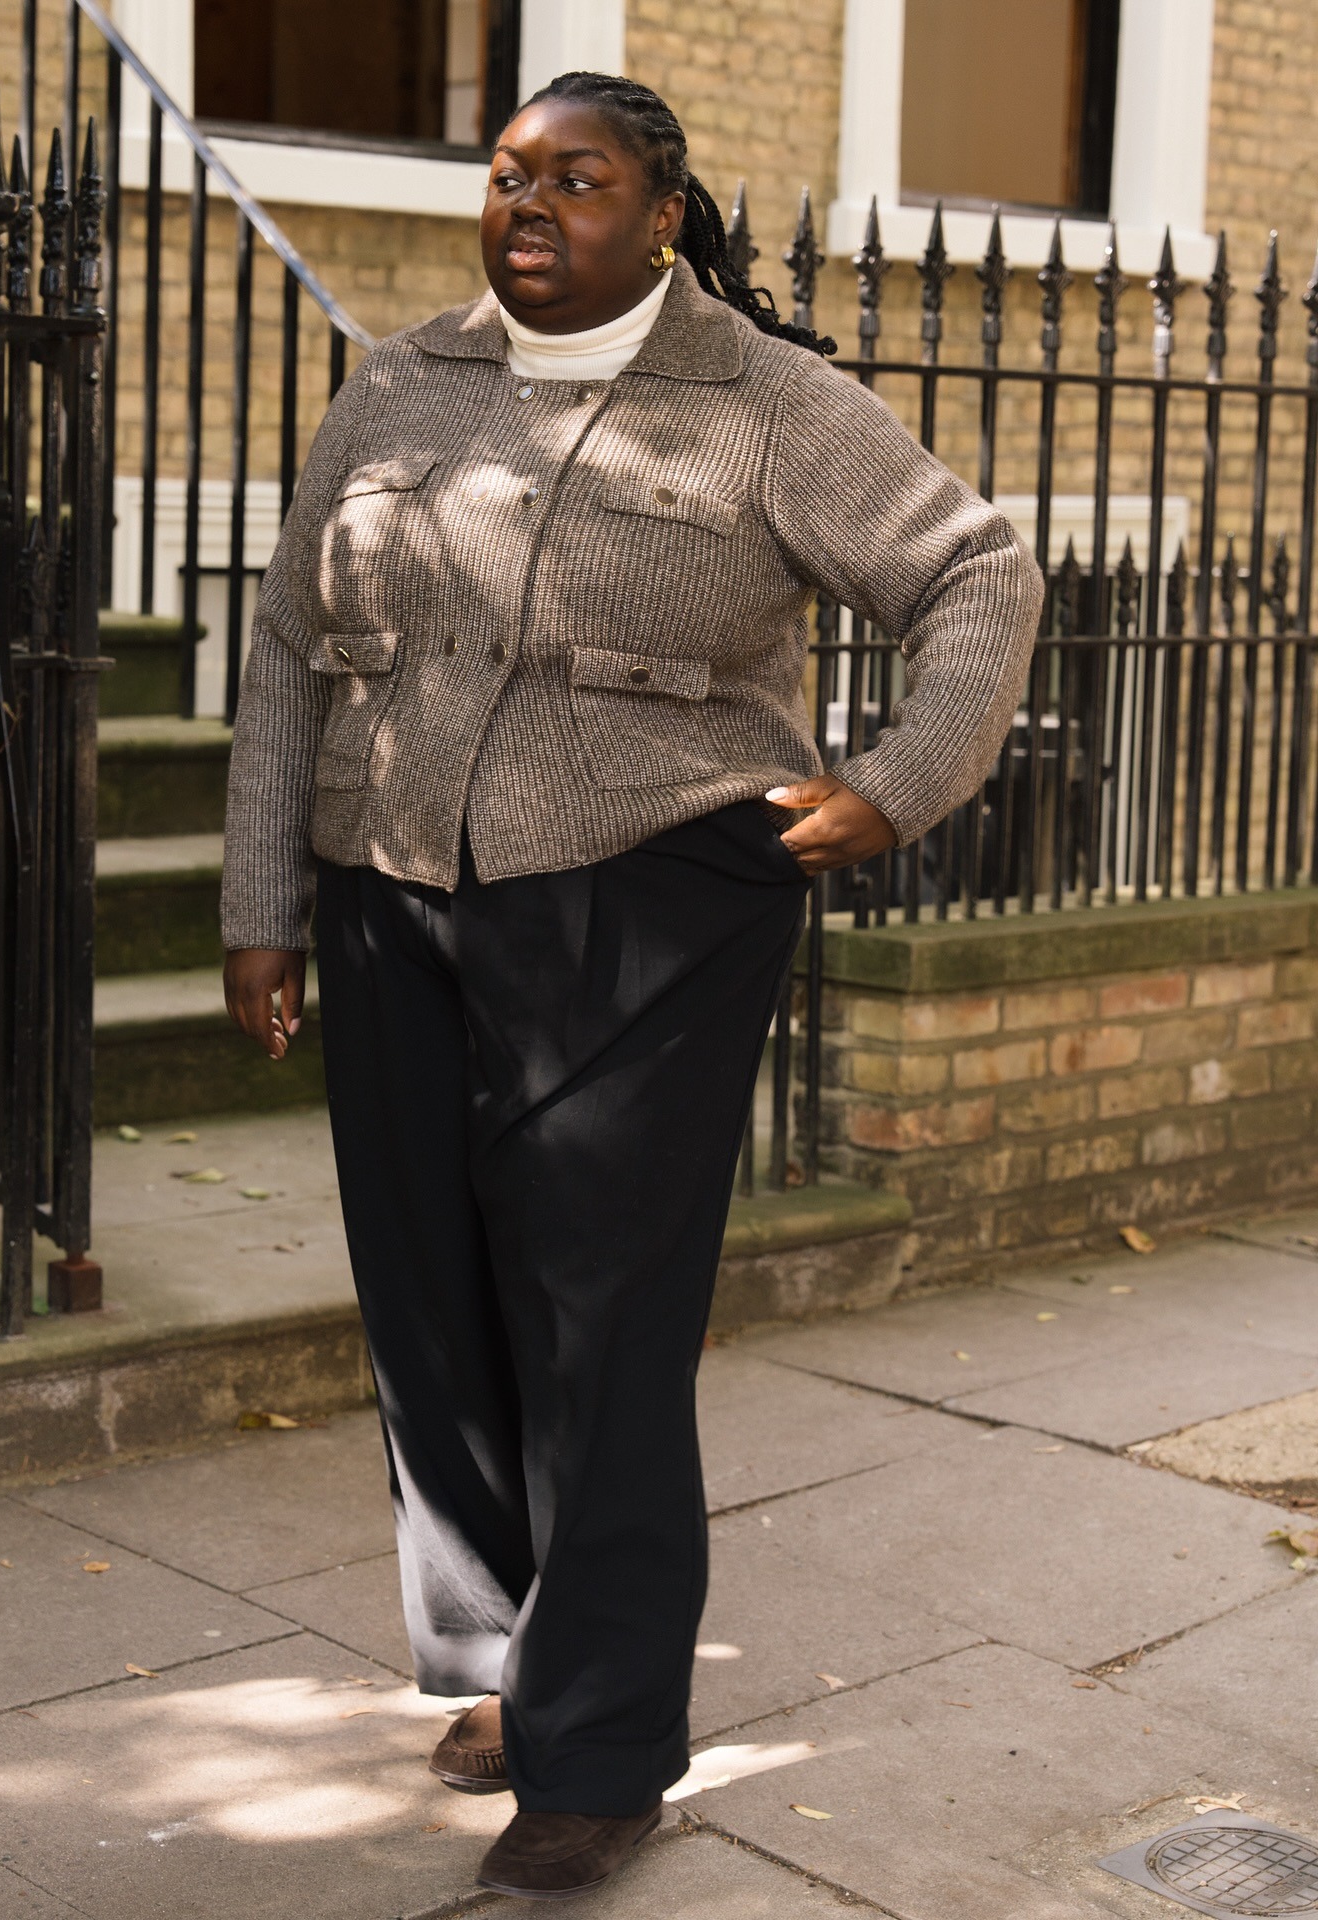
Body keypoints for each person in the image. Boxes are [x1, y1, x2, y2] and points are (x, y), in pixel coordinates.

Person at [221, 69, 1042, 1901]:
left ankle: (599, 1748)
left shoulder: (766, 401)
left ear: (660, 211)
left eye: (576, 178)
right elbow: (290, 656)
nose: (531, 204)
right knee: (434, 1304)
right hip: (393, 894)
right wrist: (264, 900)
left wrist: (896, 785)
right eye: (508, 176)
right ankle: (515, 1665)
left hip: (645, 902)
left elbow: (975, 570)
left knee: (597, 1319)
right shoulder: (399, 382)